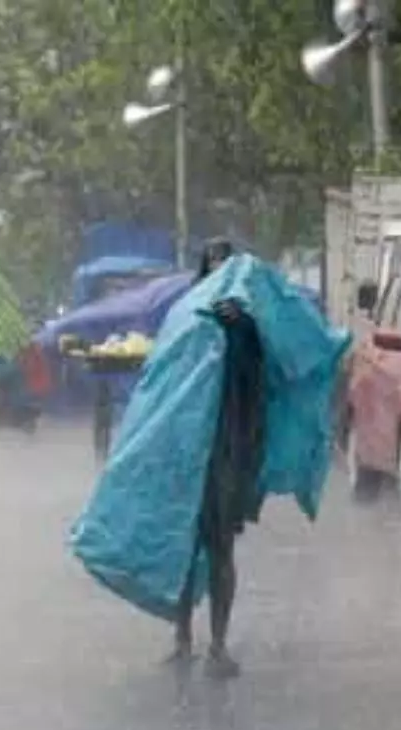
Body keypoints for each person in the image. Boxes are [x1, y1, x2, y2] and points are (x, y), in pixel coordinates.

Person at [171, 237, 266, 679]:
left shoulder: (248, 324)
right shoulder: (187, 315)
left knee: (220, 546)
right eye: (213, 262)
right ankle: (182, 639)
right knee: (185, 547)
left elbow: (258, 385)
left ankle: (219, 644)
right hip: (187, 449)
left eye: (228, 262)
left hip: (227, 448)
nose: (220, 270)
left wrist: (242, 328)